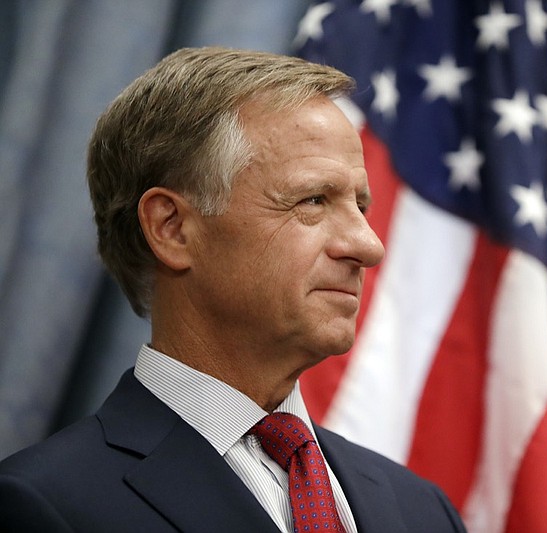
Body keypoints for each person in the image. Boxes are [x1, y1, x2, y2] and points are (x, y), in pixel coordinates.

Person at [0, 47, 466, 533]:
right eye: (313, 200)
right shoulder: (42, 507)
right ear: (172, 228)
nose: (368, 246)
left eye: (361, 207)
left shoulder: (423, 511)